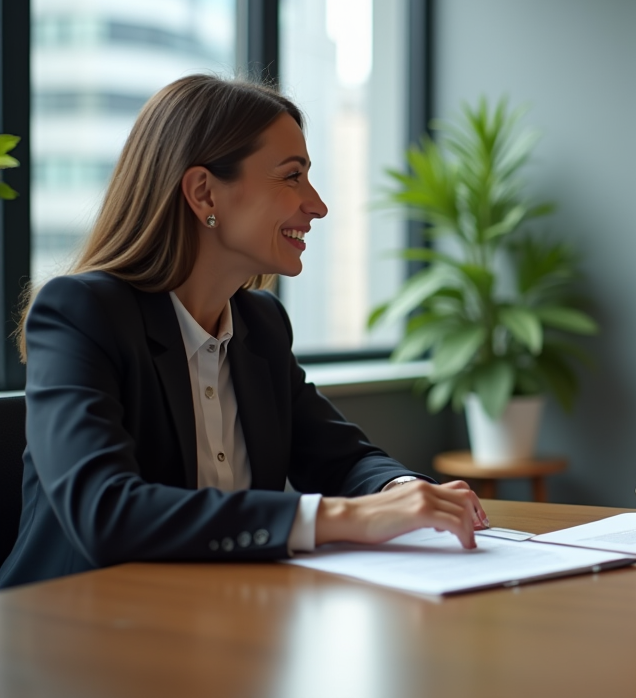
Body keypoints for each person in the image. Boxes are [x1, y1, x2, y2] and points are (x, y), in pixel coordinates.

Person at [0, 75, 486, 588]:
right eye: (291, 176)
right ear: (204, 192)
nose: (317, 204)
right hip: (68, 630)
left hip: (214, 621)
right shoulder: (81, 313)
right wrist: (346, 519)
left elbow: (342, 459)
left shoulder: (261, 324)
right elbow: (105, 512)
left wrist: (402, 490)